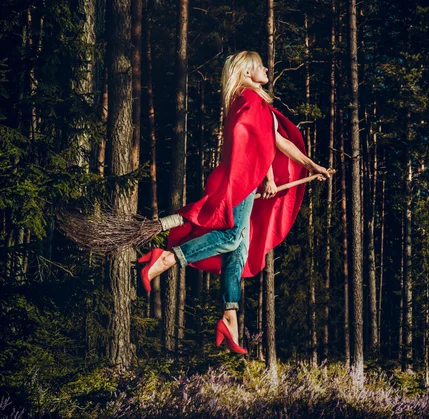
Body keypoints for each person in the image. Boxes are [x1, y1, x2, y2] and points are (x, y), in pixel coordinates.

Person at [137, 51, 330, 355]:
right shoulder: (251, 101)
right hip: (238, 181)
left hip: (242, 179)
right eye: (259, 66)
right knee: (230, 237)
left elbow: (274, 141)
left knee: (237, 253)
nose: (266, 68)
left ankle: (229, 317)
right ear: (246, 73)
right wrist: (262, 176)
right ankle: (167, 258)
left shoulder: (253, 103)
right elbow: (253, 139)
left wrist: (311, 165)